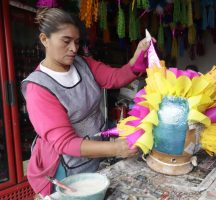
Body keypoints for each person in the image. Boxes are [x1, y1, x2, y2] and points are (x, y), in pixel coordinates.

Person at [21, 8, 152, 196]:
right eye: (66, 41)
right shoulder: (39, 88)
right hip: (65, 165)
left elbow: (115, 77)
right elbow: (66, 143)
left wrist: (138, 56)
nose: (74, 49)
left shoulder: (83, 64)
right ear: (44, 39)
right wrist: (116, 148)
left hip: (97, 151)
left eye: (76, 42)